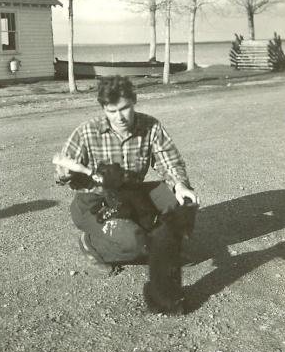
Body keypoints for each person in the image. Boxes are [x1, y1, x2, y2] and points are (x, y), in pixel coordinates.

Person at [55, 75, 199, 277]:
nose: (119, 117)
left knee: (183, 202)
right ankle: (92, 245)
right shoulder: (87, 131)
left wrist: (180, 185)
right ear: (104, 109)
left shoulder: (151, 126)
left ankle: (161, 250)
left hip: (131, 195)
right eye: (111, 111)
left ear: (134, 101)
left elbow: (169, 161)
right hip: (95, 204)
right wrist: (65, 174)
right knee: (132, 241)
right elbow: (63, 173)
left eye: (124, 108)